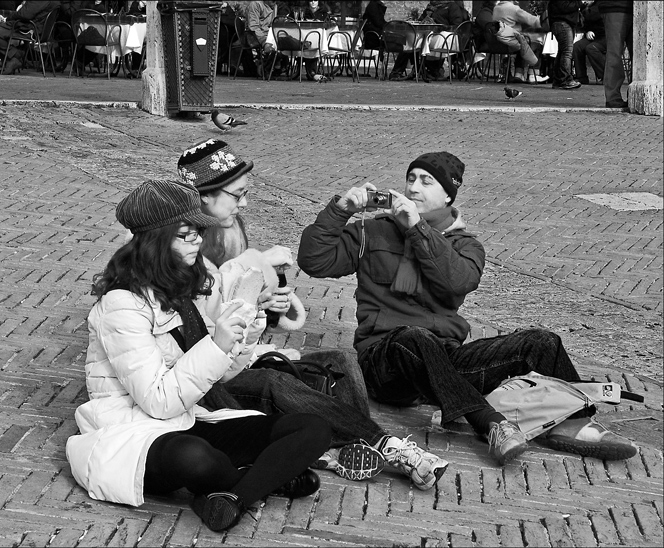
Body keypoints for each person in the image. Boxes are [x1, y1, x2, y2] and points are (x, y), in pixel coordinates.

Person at [297, 151, 638, 465]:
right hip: (384, 366)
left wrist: (416, 229)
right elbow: (314, 260)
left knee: (541, 342)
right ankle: (491, 424)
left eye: (426, 181)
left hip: (443, 362)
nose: (413, 187)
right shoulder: (372, 231)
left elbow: (455, 282)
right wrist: (340, 209)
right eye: (411, 178)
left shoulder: (466, 246)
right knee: (412, 337)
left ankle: (574, 421)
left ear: (448, 195)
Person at [168, 138, 451, 490]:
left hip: (237, 353)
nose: (244, 203)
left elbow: (234, 308)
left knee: (342, 361)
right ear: (203, 196)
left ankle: (352, 445)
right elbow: (200, 326)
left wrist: (266, 307)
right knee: (274, 382)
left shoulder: (229, 228)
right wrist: (254, 280)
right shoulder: (181, 247)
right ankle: (381, 444)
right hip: (207, 375)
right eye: (237, 194)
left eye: (245, 193)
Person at [66, 179, 331, 533]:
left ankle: (232, 498)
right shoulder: (121, 305)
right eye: (185, 235)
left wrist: (247, 327)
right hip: (137, 433)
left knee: (313, 427)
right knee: (194, 457)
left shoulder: (180, 288)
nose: (197, 242)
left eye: (198, 233)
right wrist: (216, 344)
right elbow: (158, 401)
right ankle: (262, 480)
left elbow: (222, 375)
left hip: (190, 419)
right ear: (155, 241)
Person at [388, 0, 466, 81]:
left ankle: (431, 70)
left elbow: (456, 25)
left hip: (446, 35)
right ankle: (397, 71)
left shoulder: (451, 6)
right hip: (428, 33)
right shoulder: (431, 7)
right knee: (411, 38)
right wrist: (423, 20)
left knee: (427, 41)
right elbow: (421, 20)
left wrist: (438, 24)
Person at [0, 0, 59, 75]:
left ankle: (16, 54)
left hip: (28, 29)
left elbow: (25, 14)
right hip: (39, 31)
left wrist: (8, 18)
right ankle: (11, 59)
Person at [491, 0, 549, 84]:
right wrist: (545, 21)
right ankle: (533, 75)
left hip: (498, 43)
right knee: (536, 44)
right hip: (511, 43)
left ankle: (519, 74)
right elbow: (532, 20)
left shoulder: (496, 8)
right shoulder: (513, 9)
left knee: (522, 42)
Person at [596, 0, 632, 108]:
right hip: (615, 6)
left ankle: (630, 95)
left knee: (638, 57)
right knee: (614, 52)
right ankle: (613, 97)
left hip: (632, 8)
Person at [548, 0, 584, 90]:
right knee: (567, 52)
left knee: (562, 51)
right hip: (562, 22)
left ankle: (558, 81)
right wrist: (581, 3)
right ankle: (566, 80)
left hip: (564, 23)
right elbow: (564, 7)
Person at [573, 0, 606, 85]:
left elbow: (595, 16)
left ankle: (605, 76)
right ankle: (581, 77)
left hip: (605, 36)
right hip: (593, 36)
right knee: (577, 46)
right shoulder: (586, 7)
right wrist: (587, 31)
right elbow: (585, 24)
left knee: (591, 48)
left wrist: (585, 8)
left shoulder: (600, 5)